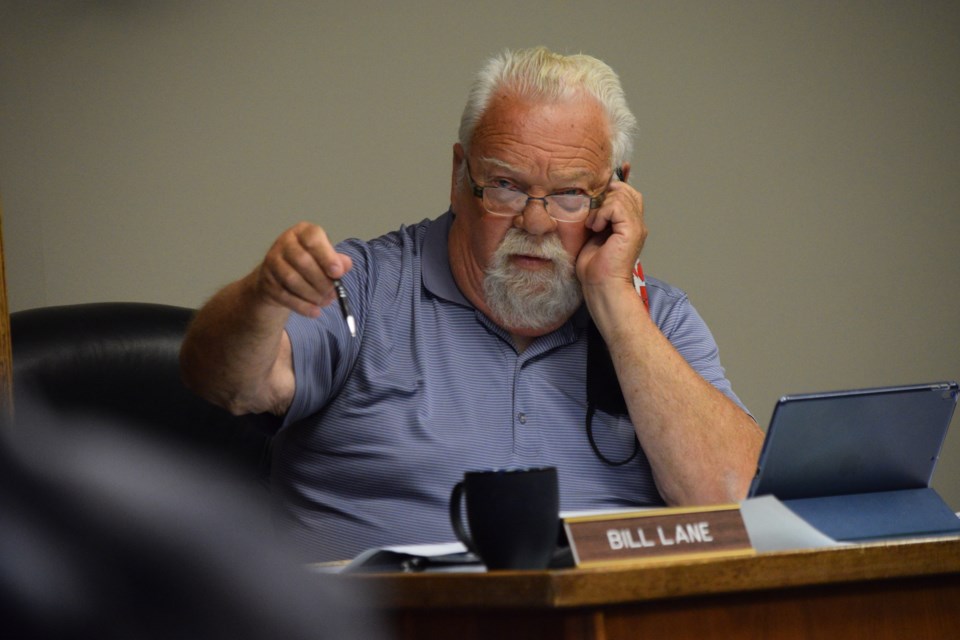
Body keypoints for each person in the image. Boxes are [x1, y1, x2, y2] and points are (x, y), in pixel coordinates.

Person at [180, 46, 765, 561]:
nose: (535, 221)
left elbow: (738, 499)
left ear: (616, 192)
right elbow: (229, 381)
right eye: (506, 185)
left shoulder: (655, 316)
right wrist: (261, 298)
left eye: (568, 194)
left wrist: (615, 302)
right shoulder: (360, 284)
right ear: (461, 175)